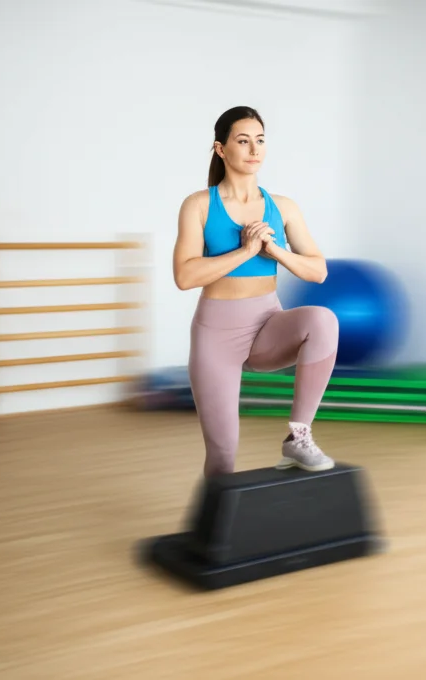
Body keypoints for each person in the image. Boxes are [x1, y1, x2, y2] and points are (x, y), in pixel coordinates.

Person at [172, 105, 339, 478]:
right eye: (243, 141)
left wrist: (274, 250)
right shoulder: (199, 205)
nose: (254, 150)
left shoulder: (283, 207)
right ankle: (215, 532)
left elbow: (319, 271)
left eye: (260, 141)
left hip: (267, 326)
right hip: (216, 336)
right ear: (221, 149)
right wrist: (244, 251)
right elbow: (184, 276)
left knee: (322, 320)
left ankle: (298, 436)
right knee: (222, 452)